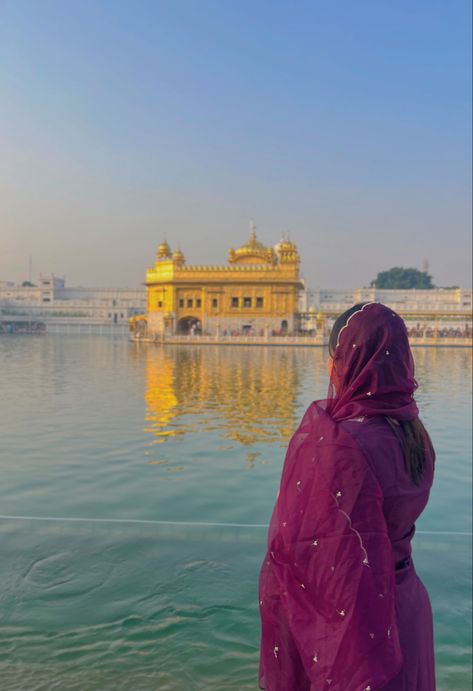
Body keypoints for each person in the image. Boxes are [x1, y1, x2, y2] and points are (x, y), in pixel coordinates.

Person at [258, 302, 436, 690]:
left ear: (345, 362)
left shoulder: (339, 446)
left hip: (356, 629)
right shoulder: (415, 436)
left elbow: (303, 552)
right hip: (406, 610)